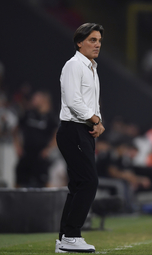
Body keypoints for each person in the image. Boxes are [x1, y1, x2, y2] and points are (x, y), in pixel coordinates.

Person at [55, 23, 105, 253]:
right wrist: (95, 120)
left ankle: (64, 239)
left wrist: (97, 121)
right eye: (92, 40)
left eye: (99, 41)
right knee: (89, 182)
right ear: (79, 42)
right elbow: (74, 101)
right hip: (72, 129)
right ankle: (71, 235)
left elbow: (91, 101)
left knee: (77, 185)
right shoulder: (73, 65)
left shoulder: (91, 67)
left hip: (83, 130)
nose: (97, 45)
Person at [14, 91, 58, 188]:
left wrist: (48, 149)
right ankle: (14, 201)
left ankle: (47, 202)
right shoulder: (28, 114)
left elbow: (56, 134)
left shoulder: (51, 117)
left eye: (36, 98)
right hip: (26, 153)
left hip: (40, 156)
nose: (33, 100)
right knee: (20, 178)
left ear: (43, 100)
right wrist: (17, 146)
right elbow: (16, 130)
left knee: (43, 181)